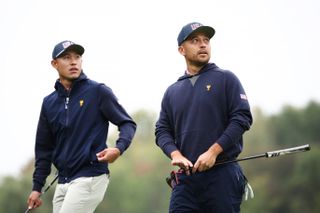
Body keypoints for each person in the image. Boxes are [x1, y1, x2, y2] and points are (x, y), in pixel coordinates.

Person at [26, 40, 137, 213]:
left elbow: (127, 123)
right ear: (54, 64)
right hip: (63, 181)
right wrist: (36, 187)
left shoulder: (98, 91)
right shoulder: (49, 103)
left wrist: (118, 149)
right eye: (66, 57)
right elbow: (43, 149)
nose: (73, 62)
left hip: (90, 176)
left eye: (77, 57)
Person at [155, 22, 253, 212]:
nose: (202, 45)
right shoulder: (172, 91)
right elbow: (162, 130)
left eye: (206, 40)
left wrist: (213, 152)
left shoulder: (226, 78)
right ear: (181, 50)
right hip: (186, 180)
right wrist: (176, 155)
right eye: (195, 41)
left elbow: (242, 118)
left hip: (222, 176)